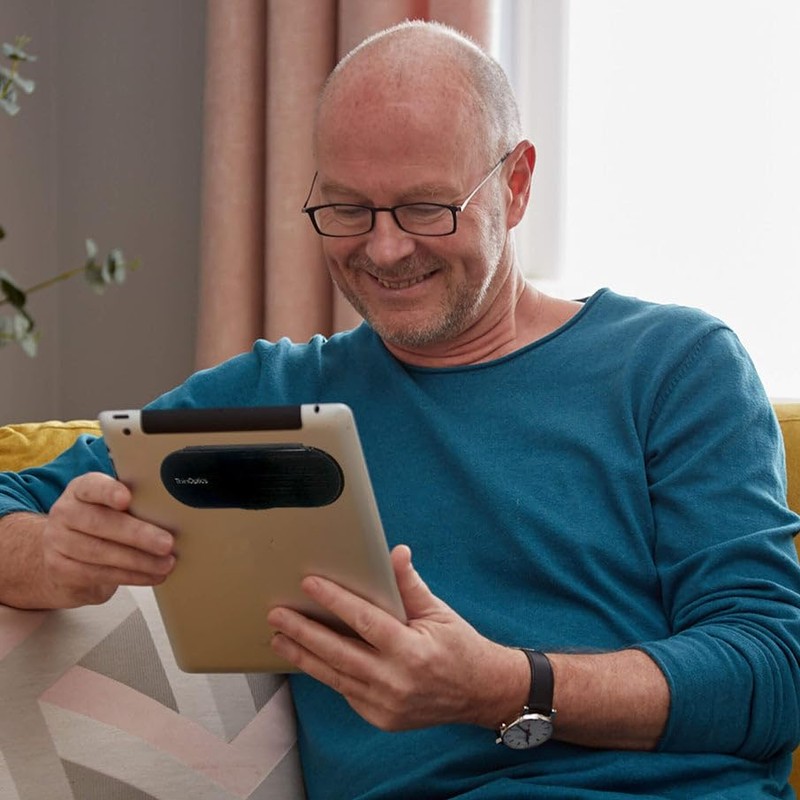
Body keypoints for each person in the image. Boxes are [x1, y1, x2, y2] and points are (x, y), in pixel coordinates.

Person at [1, 20, 799, 800]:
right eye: (348, 209)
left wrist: (504, 686)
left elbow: (774, 668)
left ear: (516, 184)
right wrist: (53, 557)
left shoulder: (674, 365)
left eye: (425, 208)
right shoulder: (271, 397)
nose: (384, 249)